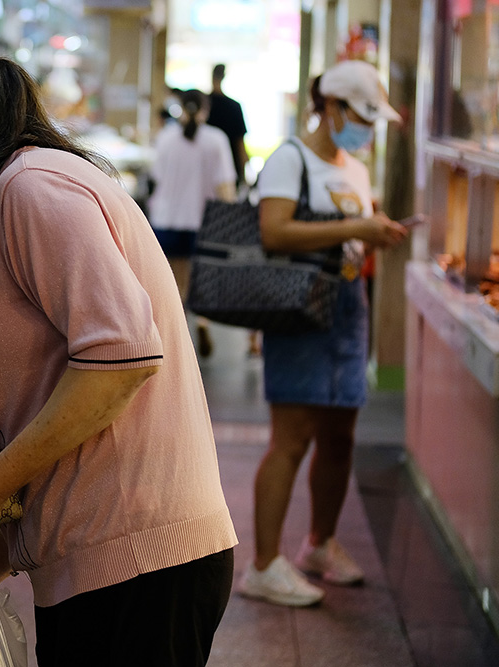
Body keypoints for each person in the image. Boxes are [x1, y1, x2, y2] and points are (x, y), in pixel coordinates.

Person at [0, 51, 238, 666]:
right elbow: (51, 388)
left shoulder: (33, 189)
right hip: (105, 561)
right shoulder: (17, 199)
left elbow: (122, 355)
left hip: (136, 561)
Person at [237, 59, 407, 607]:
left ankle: (320, 544)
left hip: (348, 309)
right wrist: (358, 226)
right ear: (330, 107)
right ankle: (262, 566)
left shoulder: (352, 166)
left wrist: (371, 231)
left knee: (340, 436)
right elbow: (275, 231)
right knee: (293, 439)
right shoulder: (290, 159)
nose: (366, 128)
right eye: (360, 115)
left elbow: (344, 236)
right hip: (301, 314)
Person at [148, 89, 237, 357]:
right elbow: (225, 186)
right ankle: (201, 322)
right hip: (202, 222)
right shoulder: (216, 139)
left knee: (175, 286)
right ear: (205, 110)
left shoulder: (165, 138)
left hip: (166, 220)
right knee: (202, 281)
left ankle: (176, 338)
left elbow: (156, 177)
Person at [206, 64, 249, 188]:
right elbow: (240, 144)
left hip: (205, 167)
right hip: (229, 168)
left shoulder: (205, 104)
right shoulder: (233, 107)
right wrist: (244, 177)